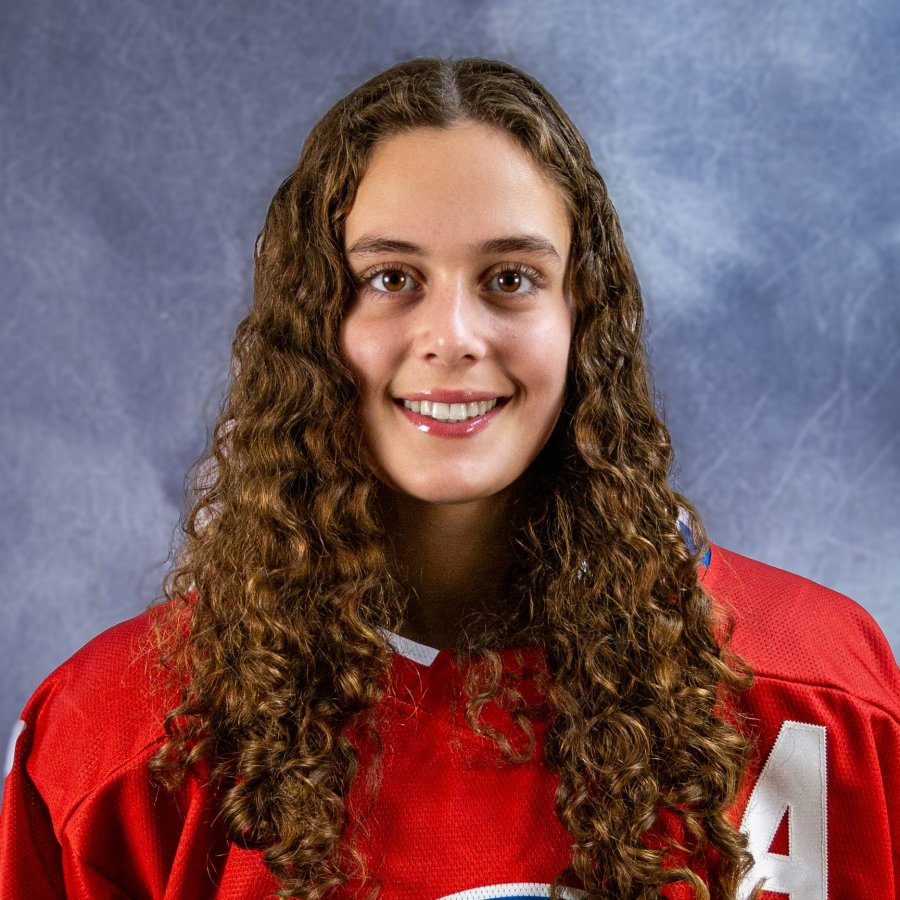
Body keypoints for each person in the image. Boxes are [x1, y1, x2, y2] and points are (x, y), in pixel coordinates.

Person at [0, 57, 897, 900]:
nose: (455, 336)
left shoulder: (820, 697)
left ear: (582, 315)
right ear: (312, 323)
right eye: (392, 277)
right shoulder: (120, 742)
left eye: (511, 277)